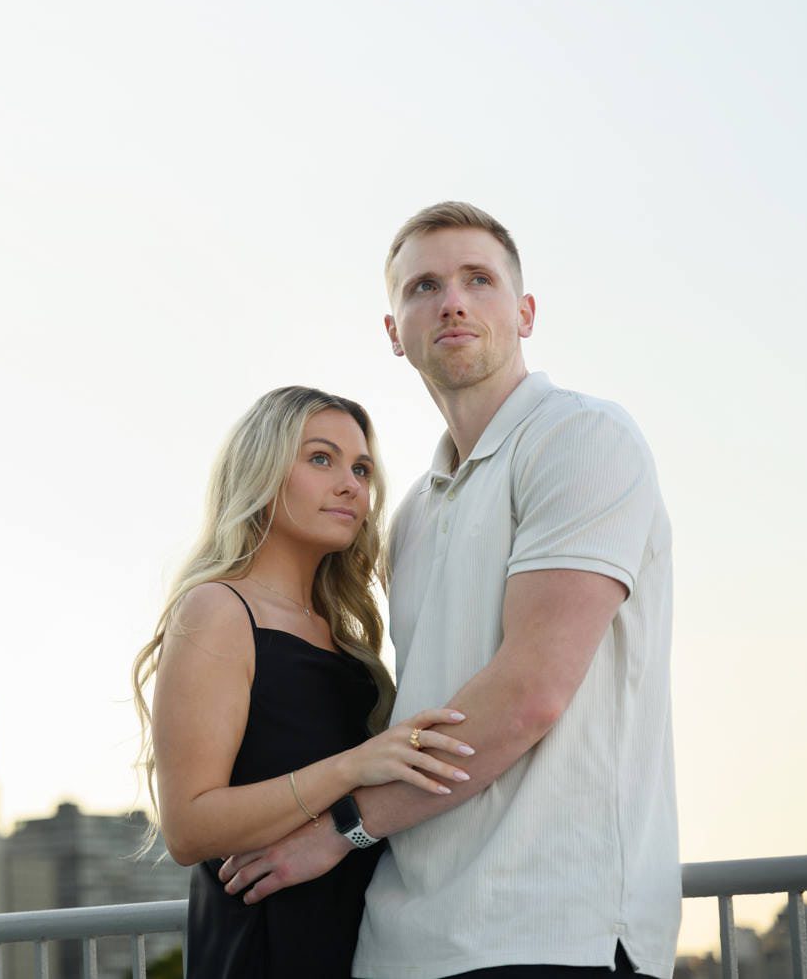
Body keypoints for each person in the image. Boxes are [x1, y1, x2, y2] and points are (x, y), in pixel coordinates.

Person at [218, 202, 679, 978]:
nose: (453, 300)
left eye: (478, 279)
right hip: (400, 943)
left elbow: (530, 693)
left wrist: (341, 829)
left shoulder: (583, 439)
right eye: (425, 285)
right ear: (395, 332)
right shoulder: (411, 517)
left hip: (551, 931)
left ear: (524, 312)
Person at [132, 385, 476, 978]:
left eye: (361, 468)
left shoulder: (345, 637)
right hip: (265, 945)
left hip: (363, 942)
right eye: (321, 459)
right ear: (262, 474)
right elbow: (189, 828)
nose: (351, 485)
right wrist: (353, 767)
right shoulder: (217, 609)